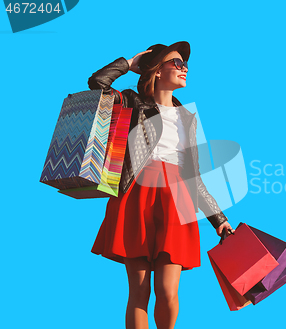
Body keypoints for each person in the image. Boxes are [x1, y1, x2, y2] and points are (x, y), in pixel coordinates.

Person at [88, 41, 233, 329]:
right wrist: (129, 64)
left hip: (176, 202)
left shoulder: (187, 118)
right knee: (139, 292)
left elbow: (194, 176)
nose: (184, 68)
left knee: (168, 292)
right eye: (177, 63)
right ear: (156, 71)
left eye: (185, 64)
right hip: (135, 197)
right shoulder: (131, 101)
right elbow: (97, 84)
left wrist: (220, 220)